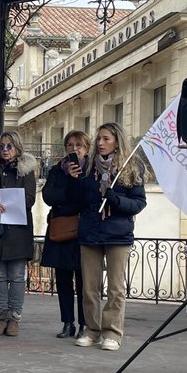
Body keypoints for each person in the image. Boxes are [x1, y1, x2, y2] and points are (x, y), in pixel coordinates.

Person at [73, 122, 147, 351]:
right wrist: (76, 182)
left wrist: (117, 201)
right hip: (91, 232)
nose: (100, 143)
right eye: (99, 139)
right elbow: (78, 200)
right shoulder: (88, 168)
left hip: (117, 234)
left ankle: (112, 333)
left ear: (117, 141)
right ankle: (92, 330)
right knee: (89, 287)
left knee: (116, 288)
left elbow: (139, 202)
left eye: (106, 139)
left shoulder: (130, 166)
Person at [0, 131, 38, 336]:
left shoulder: (26, 171)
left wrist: (7, 201)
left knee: (17, 277)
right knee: (0, 276)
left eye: (9, 146)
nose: (5, 150)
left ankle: (15, 318)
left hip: (18, 232)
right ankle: (1, 317)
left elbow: (30, 199)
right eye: (2, 146)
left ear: (17, 148)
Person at [40, 130, 89, 339]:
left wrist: (72, 186)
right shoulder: (56, 171)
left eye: (78, 145)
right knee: (63, 280)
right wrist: (68, 182)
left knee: (84, 281)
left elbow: (86, 198)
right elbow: (49, 196)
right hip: (60, 230)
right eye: (70, 145)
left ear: (86, 149)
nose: (74, 149)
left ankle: (85, 324)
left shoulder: (91, 170)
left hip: (82, 231)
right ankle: (67, 323)